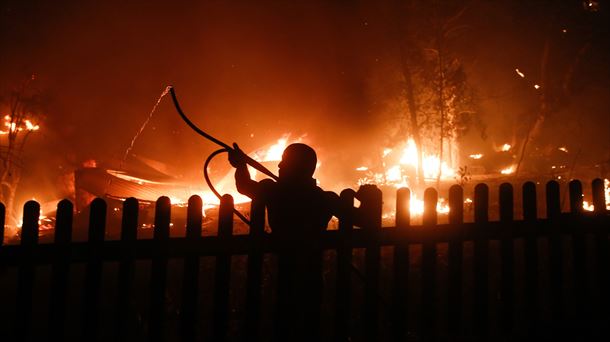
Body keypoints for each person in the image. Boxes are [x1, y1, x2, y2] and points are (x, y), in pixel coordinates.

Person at [228, 142, 378, 340]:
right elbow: (364, 220)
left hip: (285, 265)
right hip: (311, 269)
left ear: (299, 168)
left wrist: (241, 166)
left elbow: (244, 186)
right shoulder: (322, 198)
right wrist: (370, 198)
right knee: (309, 318)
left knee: (284, 317)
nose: (279, 166)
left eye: (285, 162)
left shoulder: (273, 191)